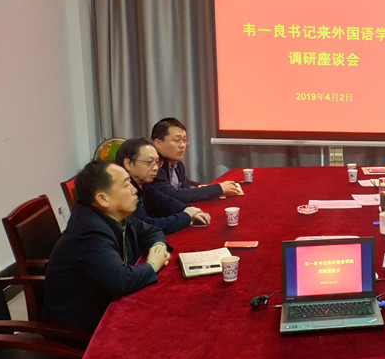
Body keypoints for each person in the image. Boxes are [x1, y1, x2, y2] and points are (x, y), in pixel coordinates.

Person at [43, 160, 172, 333]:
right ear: (103, 199)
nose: (134, 190)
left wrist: (158, 247)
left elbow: (152, 231)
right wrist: (153, 264)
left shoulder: (114, 212)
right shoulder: (89, 230)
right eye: (126, 185)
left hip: (106, 299)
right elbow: (121, 280)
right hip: (81, 326)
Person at [116, 137, 211, 235]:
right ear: (128, 164)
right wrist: (186, 216)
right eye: (149, 162)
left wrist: (188, 210)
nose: (155, 168)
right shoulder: (124, 192)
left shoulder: (143, 185)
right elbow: (146, 226)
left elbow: (163, 202)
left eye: (157, 162)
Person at [151, 117, 241, 202]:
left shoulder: (177, 163)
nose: (182, 145)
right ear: (158, 143)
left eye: (184, 140)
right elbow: (172, 195)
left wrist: (211, 189)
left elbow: (185, 190)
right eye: (177, 140)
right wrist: (217, 189)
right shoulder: (153, 167)